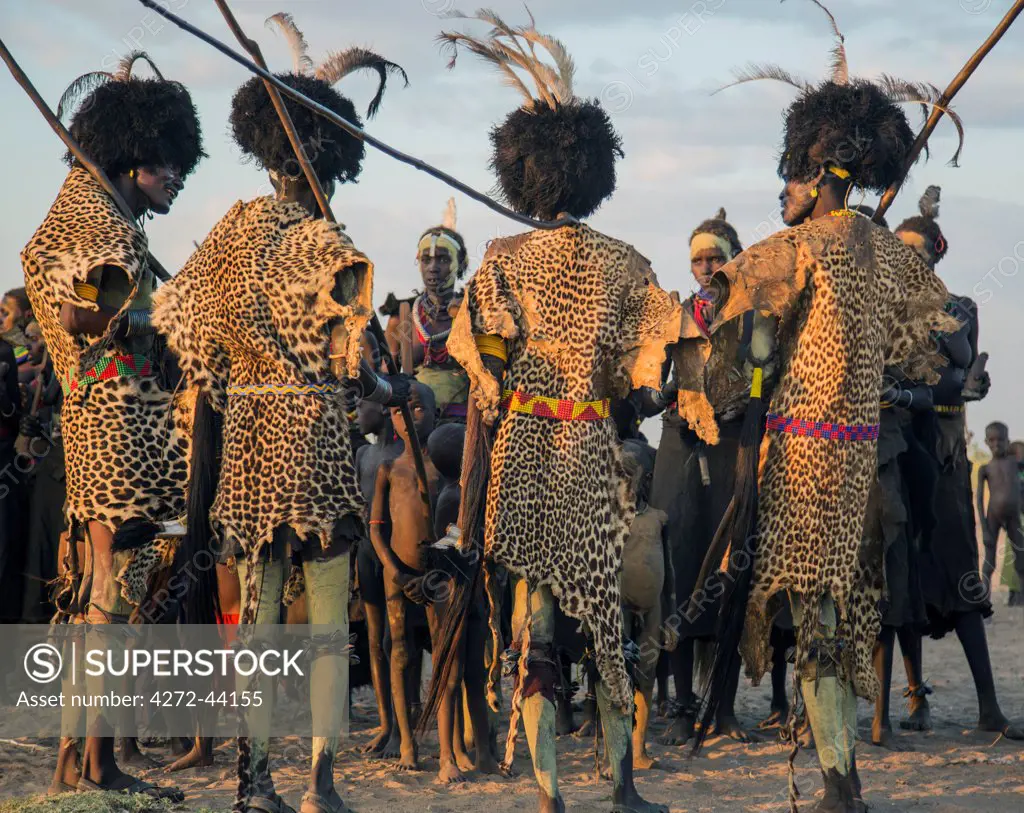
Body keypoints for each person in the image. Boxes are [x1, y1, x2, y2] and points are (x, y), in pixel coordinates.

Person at [684, 4, 962, 808]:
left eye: (794, 177)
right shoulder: (891, 255)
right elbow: (938, 348)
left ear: (816, 171)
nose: (787, 190)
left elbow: (728, 362)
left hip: (802, 461)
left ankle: (840, 778)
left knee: (817, 620)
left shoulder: (789, 250)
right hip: (862, 460)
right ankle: (843, 772)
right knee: (843, 608)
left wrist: (745, 385)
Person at [151, 16, 409, 813]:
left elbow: (182, 337)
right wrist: (394, 391)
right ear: (330, 158)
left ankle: (255, 780)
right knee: (327, 615)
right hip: (314, 438)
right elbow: (356, 356)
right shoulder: (330, 243)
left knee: (259, 615)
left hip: (247, 445)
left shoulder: (225, 235)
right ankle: (320, 783)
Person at [439, 12, 680, 813]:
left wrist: (511, 384)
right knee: (606, 624)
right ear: (590, 174)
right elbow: (649, 381)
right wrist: (627, 390)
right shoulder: (627, 263)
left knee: (533, 626)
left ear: (524, 176)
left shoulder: (502, 264)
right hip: (591, 452)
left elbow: (483, 373)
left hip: (523, 452)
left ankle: (548, 793)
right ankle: (621, 786)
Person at [20, 52, 203, 797]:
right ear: (131, 160)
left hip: (104, 417)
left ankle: (79, 760)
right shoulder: (96, 221)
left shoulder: (89, 210)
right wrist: (172, 312)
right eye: (167, 169)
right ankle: (97, 764)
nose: (175, 181)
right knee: (114, 595)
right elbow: (79, 310)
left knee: (102, 593)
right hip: (120, 424)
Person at [895, 187, 1023, 740]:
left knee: (961, 571)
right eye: (896, 254)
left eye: (916, 253)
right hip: (899, 445)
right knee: (901, 583)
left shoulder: (959, 307)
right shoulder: (884, 312)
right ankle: (913, 699)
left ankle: (989, 707)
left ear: (936, 252)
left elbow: (965, 373)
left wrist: (968, 383)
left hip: (945, 448)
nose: (905, 262)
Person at [648, 208, 769, 745]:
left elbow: (767, 383)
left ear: (732, 260)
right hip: (678, 446)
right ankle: (680, 705)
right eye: (697, 258)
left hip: (733, 451)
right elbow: (650, 382)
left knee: (729, 575)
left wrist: (751, 437)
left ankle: (723, 706)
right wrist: (661, 396)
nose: (704, 266)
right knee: (678, 571)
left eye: (714, 257)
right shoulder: (673, 315)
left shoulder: (757, 317)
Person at [385, 200, 472, 423]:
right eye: (426, 260)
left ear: (460, 264)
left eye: (443, 259)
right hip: (413, 428)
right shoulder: (404, 319)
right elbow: (386, 375)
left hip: (463, 428)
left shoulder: (473, 315)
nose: (433, 267)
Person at [977, 422, 1024, 601]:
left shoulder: (1016, 464)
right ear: (986, 442)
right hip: (993, 516)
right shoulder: (985, 469)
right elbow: (979, 500)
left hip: (1013, 516)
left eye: (1001, 440)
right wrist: (985, 529)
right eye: (992, 440)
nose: (996, 444)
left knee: (1021, 556)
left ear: (1008, 441)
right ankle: (984, 600)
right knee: (989, 560)